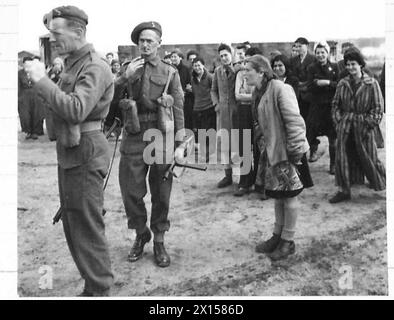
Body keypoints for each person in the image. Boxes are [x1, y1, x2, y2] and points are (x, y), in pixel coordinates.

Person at [24, 6, 115, 296]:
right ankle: (93, 283)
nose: (52, 39)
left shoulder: (95, 66)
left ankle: (99, 289)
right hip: (71, 151)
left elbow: (76, 109)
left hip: (85, 153)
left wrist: (41, 81)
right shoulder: (72, 64)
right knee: (74, 222)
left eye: (56, 33)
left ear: (78, 32)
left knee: (86, 225)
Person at [116, 21, 185, 268]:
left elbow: (178, 108)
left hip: (161, 134)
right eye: (141, 41)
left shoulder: (170, 72)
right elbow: (109, 103)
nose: (145, 45)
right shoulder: (126, 69)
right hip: (134, 133)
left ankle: (159, 239)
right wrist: (123, 80)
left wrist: (180, 143)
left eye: (150, 40)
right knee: (130, 190)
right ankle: (140, 232)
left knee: (161, 191)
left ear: (159, 43)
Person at [244, 55, 311, 260]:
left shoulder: (281, 89)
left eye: (248, 70)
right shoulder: (259, 91)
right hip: (272, 153)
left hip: (289, 153)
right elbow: (258, 121)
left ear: (261, 72)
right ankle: (277, 236)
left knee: (290, 198)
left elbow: (295, 123)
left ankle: (288, 241)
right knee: (277, 196)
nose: (245, 74)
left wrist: (295, 152)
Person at [329, 50, 385, 203]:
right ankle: (344, 190)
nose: (350, 67)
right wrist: (338, 122)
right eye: (347, 64)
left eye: (353, 64)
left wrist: (368, 124)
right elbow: (335, 105)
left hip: (363, 127)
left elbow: (378, 109)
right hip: (345, 127)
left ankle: (380, 183)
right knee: (343, 158)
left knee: (370, 157)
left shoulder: (371, 84)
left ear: (361, 65)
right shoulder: (342, 83)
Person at [305, 41, 339, 172]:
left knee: (333, 137)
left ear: (327, 53)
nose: (320, 55)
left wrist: (327, 82)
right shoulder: (311, 68)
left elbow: (339, 84)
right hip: (316, 106)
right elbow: (309, 86)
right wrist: (316, 84)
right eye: (318, 52)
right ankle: (313, 152)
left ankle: (333, 164)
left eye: (322, 52)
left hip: (331, 107)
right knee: (310, 133)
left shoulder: (335, 67)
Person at [211, 43, 238, 188]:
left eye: (226, 55)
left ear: (231, 54)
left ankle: (244, 177)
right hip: (222, 114)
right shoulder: (217, 71)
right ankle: (228, 175)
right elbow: (213, 90)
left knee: (240, 143)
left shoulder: (239, 70)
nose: (223, 58)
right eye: (221, 56)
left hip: (237, 113)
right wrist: (216, 104)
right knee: (224, 144)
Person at [233, 48, 254, 196]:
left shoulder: (261, 74)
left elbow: (258, 95)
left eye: (250, 60)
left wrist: (247, 95)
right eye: (245, 60)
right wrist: (250, 96)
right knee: (244, 147)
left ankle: (260, 182)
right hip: (242, 112)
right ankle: (245, 182)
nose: (246, 63)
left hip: (257, 111)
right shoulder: (240, 74)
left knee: (260, 148)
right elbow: (237, 95)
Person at [190, 57, 216, 161]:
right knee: (200, 132)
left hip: (209, 108)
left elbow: (214, 91)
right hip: (197, 108)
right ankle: (204, 153)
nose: (197, 68)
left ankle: (209, 153)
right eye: (195, 66)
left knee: (209, 131)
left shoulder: (210, 77)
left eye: (199, 65)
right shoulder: (192, 79)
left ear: (203, 65)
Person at [18, 56, 44, 139]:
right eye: (26, 63)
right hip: (25, 95)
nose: (28, 65)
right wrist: (18, 97)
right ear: (23, 64)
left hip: (36, 94)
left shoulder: (36, 72)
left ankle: (36, 132)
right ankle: (27, 131)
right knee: (25, 114)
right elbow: (18, 86)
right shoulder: (20, 73)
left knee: (36, 113)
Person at [290, 37, 316, 120]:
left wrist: (305, 84)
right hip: (297, 93)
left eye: (300, 46)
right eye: (296, 46)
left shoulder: (313, 59)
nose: (298, 49)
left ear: (307, 46)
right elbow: (291, 75)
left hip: (309, 93)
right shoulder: (293, 60)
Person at [171, 49, 194, 132]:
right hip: (173, 99)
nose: (173, 58)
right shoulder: (170, 69)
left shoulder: (186, 69)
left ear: (180, 58)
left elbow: (189, 83)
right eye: (172, 57)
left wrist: (185, 91)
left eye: (175, 56)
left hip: (185, 99)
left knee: (185, 120)